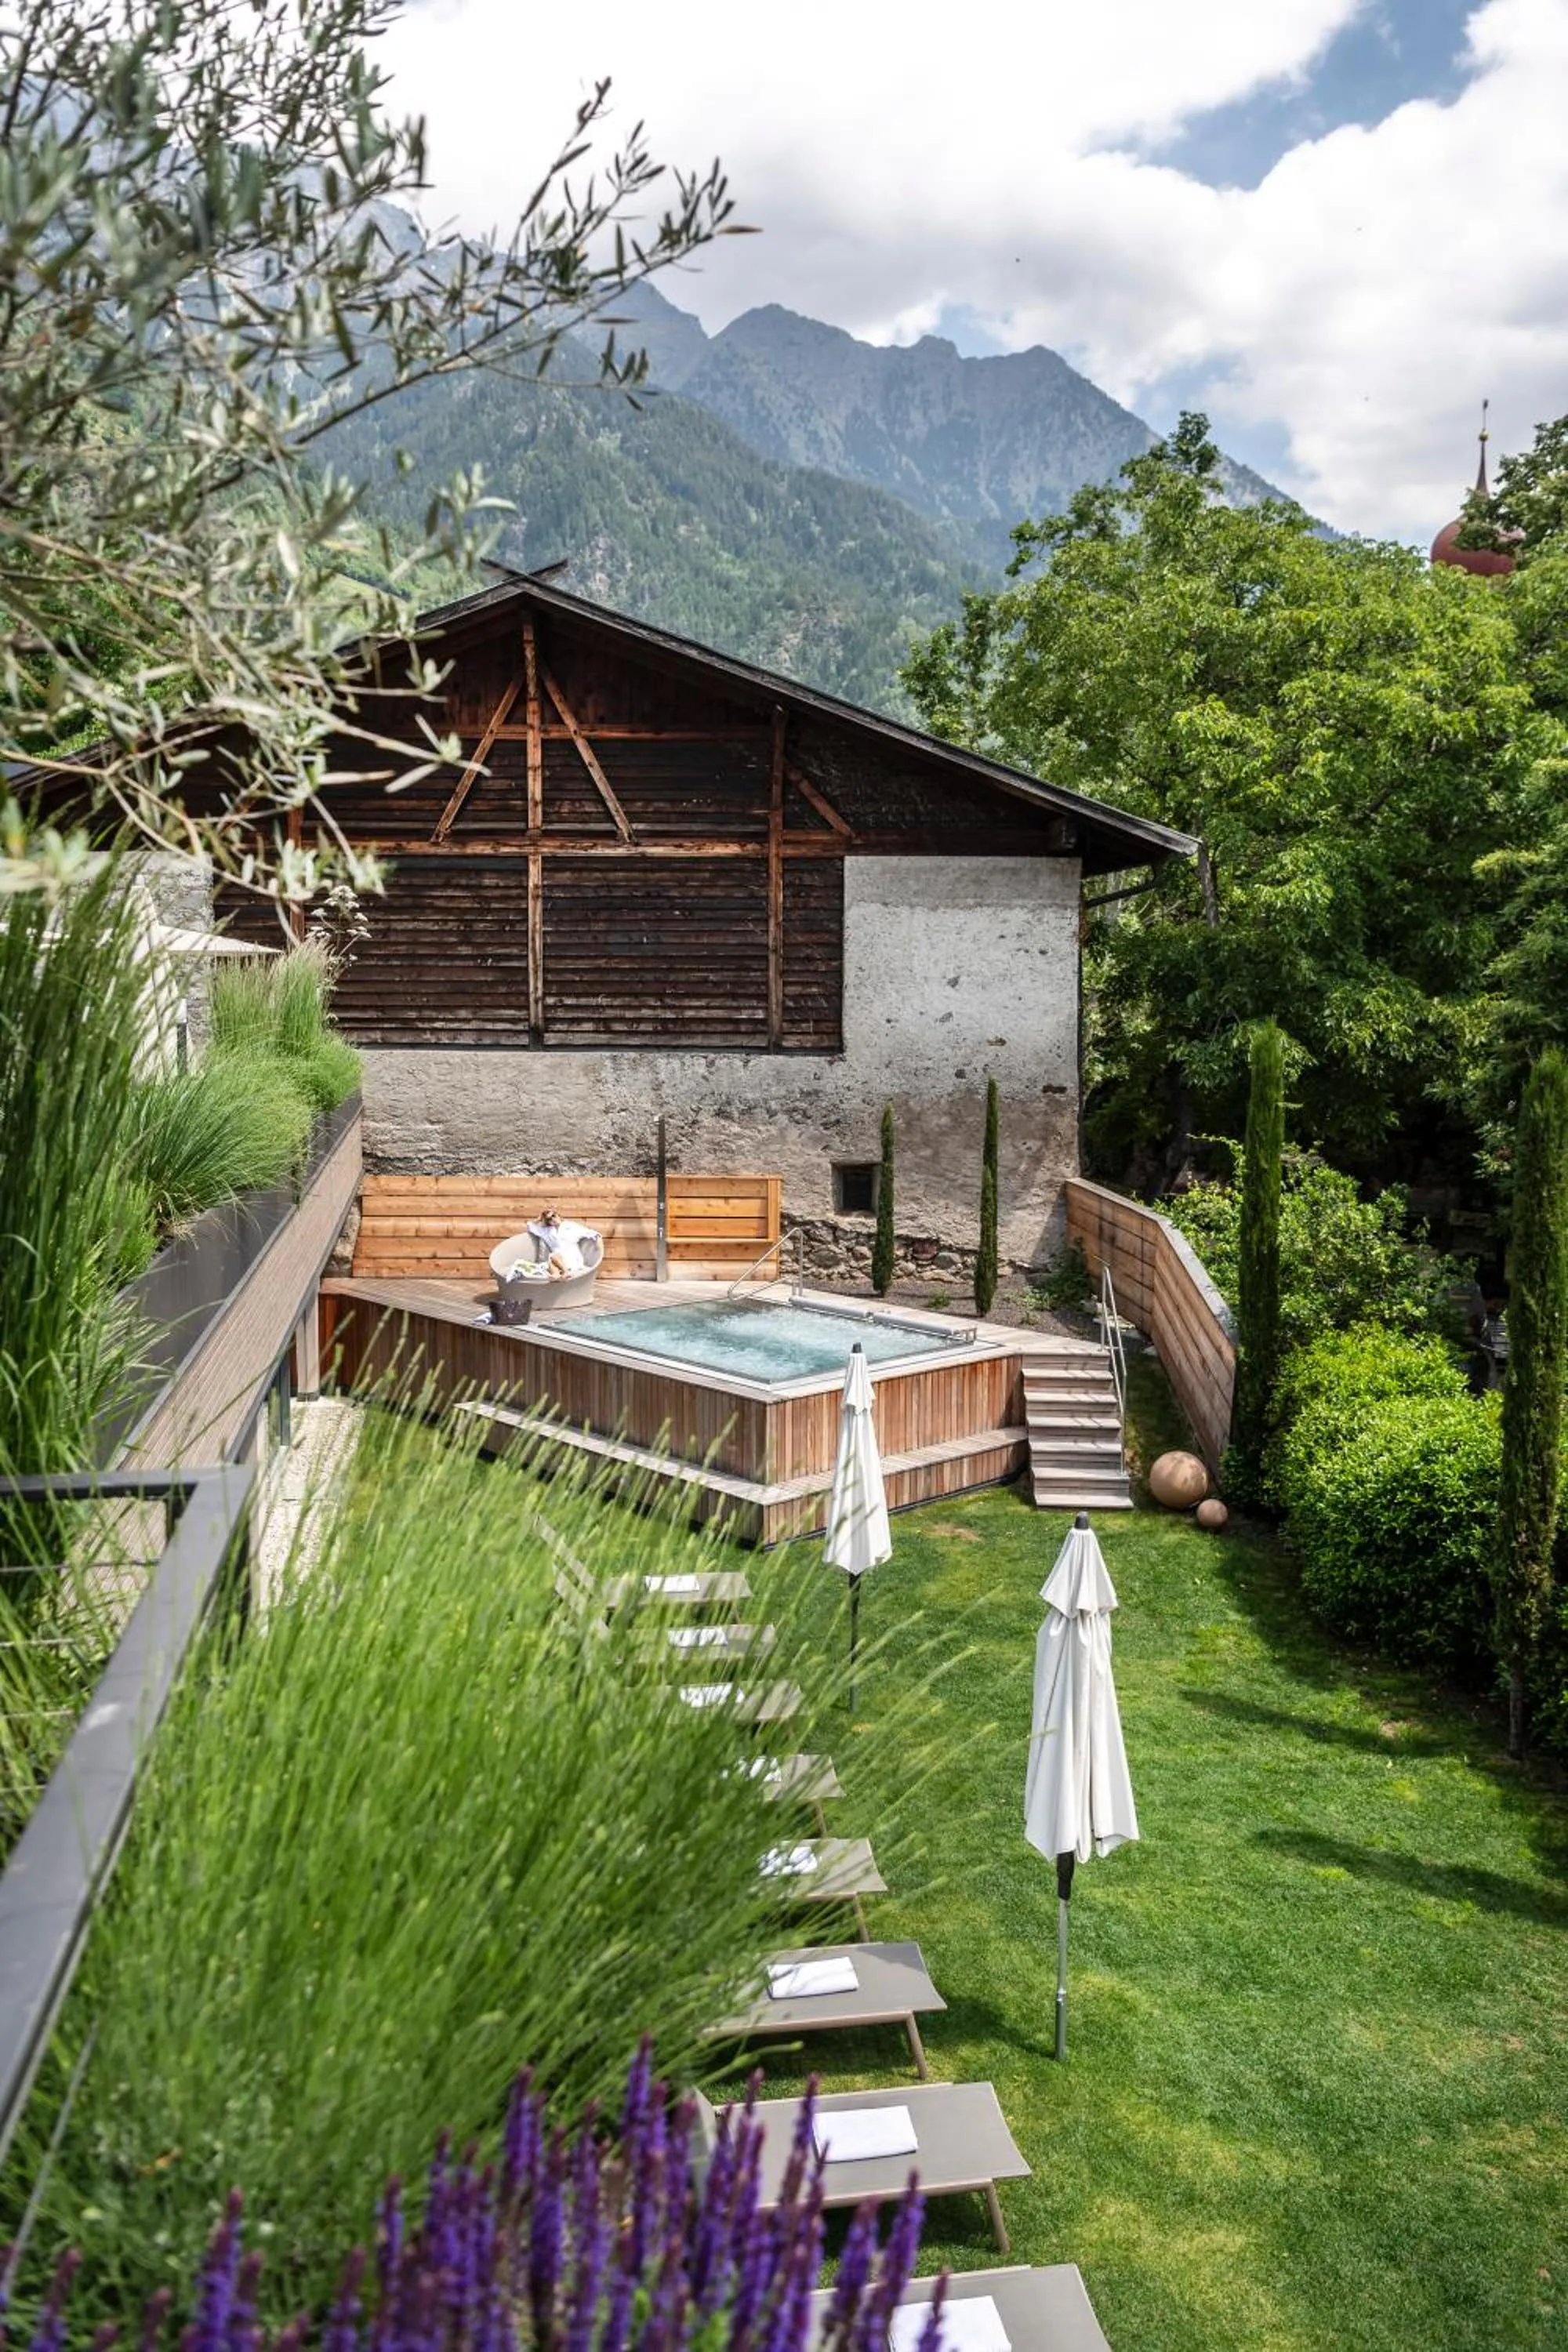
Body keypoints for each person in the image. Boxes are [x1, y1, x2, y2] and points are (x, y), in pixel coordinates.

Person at [528, 1205, 588, 1280]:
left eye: (554, 1216)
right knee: (549, 1260)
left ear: (558, 1216)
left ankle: (565, 1272)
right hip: (556, 1259)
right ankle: (557, 1274)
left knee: (553, 1256)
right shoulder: (547, 1232)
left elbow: (589, 1233)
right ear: (548, 1222)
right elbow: (530, 1226)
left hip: (571, 1256)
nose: (553, 1219)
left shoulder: (570, 1226)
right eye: (549, 1219)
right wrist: (540, 1218)